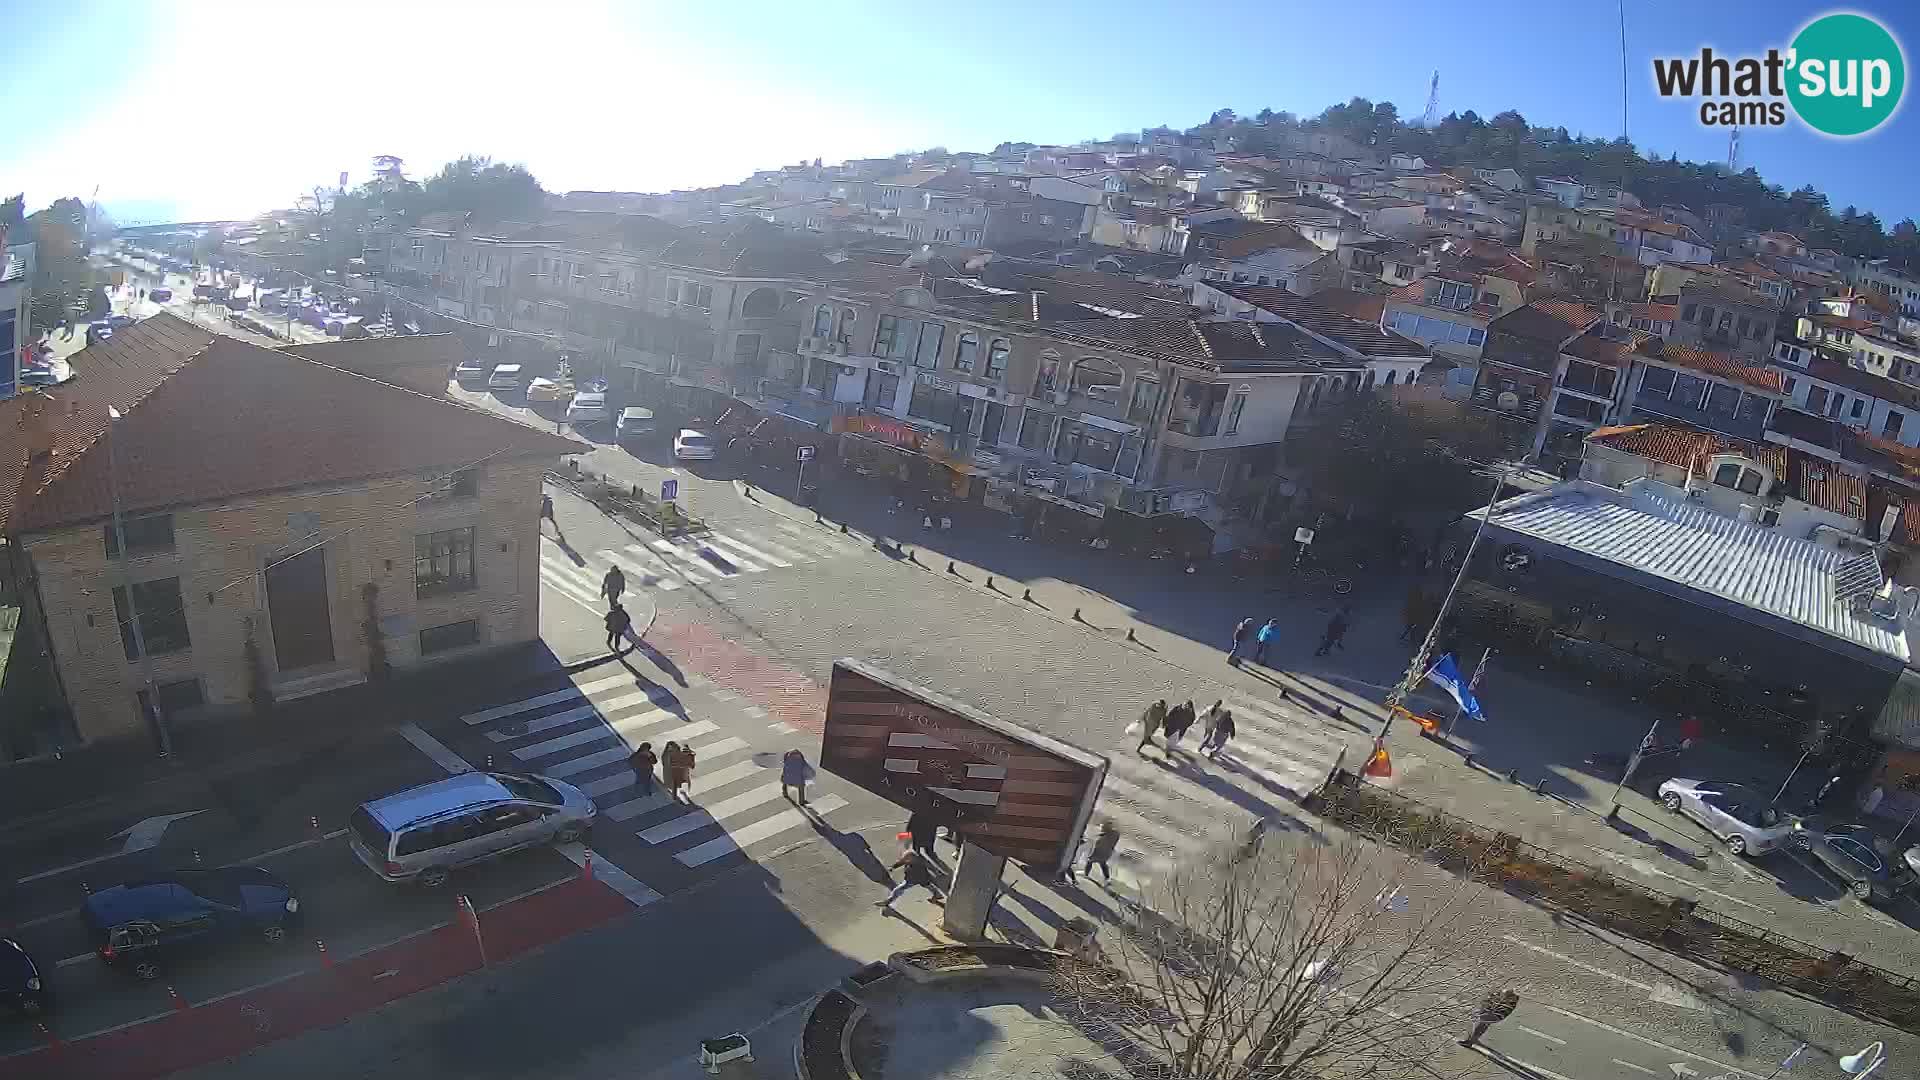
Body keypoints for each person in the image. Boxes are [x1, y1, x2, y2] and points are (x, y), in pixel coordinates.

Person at [877, 847, 947, 912]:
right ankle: (937, 895)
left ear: (912, 859)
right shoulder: (911, 860)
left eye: (906, 859)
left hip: (916, 879)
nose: (904, 860)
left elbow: (929, 867)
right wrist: (893, 867)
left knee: (898, 889)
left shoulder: (918, 864)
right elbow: (901, 862)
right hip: (917, 879)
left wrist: (939, 873)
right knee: (929, 886)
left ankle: (887, 901)